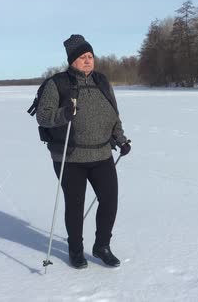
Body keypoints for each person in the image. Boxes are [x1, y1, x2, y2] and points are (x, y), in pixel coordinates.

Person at [36, 34, 131, 269]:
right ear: (71, 60)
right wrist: (63, 114)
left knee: (109, 201)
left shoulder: (101, 81)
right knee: (75, 205)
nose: (88, 61)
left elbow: (113, 115)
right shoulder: (57, 83)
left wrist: (120, 138)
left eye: (90, 56)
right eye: (82, 57)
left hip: (102, 154)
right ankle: (75, 250)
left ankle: (102, 247)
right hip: (70, 156)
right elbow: (43, 116)